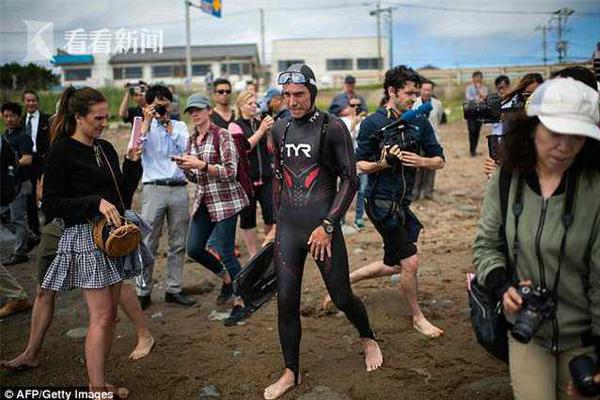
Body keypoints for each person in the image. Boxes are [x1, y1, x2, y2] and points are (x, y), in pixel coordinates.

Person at [473, 77, 600, 400]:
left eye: (577, 137)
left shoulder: (594, 189)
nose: (565, 146)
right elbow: (487, 245)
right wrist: (503, 286)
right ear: (531, 129)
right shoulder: (506, 180)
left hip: (585, 338)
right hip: (527, 331)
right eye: (555, 133)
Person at [262, 64, 382, 400]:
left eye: (298, 94)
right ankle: (291, 371)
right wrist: (272, 224)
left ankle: (367, 335)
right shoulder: (280, 127)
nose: (292, 101)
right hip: (288, 228)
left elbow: (351, 179)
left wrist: (328, 226)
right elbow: (277, 178)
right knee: (286, 301)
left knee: (342, 296)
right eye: (286, 95)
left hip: (321, 228)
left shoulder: (332, 128)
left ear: (312, 92)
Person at [327, 65, 446, 338]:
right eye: (409, 93)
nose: (414, 99)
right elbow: (356, 165)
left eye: (417, 94)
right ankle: (417, 317)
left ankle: (344, 283)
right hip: (380, 203)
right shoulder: (373, 124)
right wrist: (382, 163)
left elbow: (440, 159)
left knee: (394, 264)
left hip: (403, 203)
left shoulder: (419, 121)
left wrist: (422, 161)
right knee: (410, 262)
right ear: (391, 91)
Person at [40, 86, 143, 394]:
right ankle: (96, 388)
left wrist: (133, 163)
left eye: (105, 117)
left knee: (110, 317)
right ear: (78, 117)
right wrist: (94, 202)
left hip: (113, 237)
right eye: (97, 118)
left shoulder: (105, 148)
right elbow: (51, 205)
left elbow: (122, 197)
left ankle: (100, 382)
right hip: (85, 239)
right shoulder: (61, 151)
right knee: (100, 316)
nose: (102, 123)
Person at [135, 85, 196, 309]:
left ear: (171, 104)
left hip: (179, 187)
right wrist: (147, 123)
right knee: (147, 242)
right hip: (153, 189)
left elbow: (185, 151)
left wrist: (170, 129)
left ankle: (174, 289)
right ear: (148, 105)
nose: (162, 106)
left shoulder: (180, 126)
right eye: (157, 103)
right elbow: (135, 150)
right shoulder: (142, 126)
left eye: (165, 102)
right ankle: (143, 291)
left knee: (178, 242)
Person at [232, 90, 275, 257]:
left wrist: (268, 130)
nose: (253, 107)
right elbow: (244, 148)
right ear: (241, 105)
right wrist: (262, 130)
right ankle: (252, 254)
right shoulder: (235, 125)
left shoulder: (259, 123)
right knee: (248, 218)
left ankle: (269, 249)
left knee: (271, 216)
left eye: (255, 103)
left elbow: (270, 147)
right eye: (250, 104)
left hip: (266, 176)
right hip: (247, 179)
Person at [1, 102, 34, 265]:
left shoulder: (23, 137)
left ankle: (20, 252)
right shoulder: (5, 135)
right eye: (6, 116)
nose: (9, 119)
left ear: (18, 117)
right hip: (8, 184)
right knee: (6, 215)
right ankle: (30, 236)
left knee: (17, 218)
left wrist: (12, 165)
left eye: (12, 115)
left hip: (20, 183)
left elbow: (27, 159)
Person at [21, 89, 50, 241]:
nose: (31, 103)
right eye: (28, 100)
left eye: (33, 100)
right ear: (24, 102)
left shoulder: (46, 119)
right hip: (26, 161)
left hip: (42, 160)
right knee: (29, 195)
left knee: (46, 191)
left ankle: (50, 225)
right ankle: (34, 230)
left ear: (37, 101)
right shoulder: (20, 121)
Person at [412, 79, 444, 201]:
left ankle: (428, 192)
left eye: (429, 90)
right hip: (417, 139)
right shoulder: (414, 103)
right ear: (420, 90)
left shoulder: (437, 104)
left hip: (433, 139)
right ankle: (415, 192)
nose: (426, 92)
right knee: (417, 166)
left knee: (431, 166)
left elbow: (438, 118)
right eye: (424, 89)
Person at [339, 96, 367, 229]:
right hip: (346, 160)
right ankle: (340, 218)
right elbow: (343, 140)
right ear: (348, 106)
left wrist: (359, 122)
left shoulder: (365, 122)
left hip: (361, 159)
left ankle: (359, 218)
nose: (356, 108)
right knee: (343, 189)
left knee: (362, 190)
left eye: (358, 105)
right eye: (352, 105)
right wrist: (353, 125)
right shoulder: (342, 121)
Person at [465, 71, 489, 156]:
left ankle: (474, 149)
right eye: (476, 77)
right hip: (471, 112)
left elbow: (485, 98)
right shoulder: (469, 88)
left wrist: (479, 90)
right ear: (473, 78)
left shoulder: (484, 88)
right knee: (472, 130)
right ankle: (472, 149)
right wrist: (478, 99)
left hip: (480, 112)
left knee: (477, 131)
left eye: (480, 78)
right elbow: (469, 99)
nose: (478, 79)